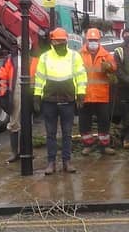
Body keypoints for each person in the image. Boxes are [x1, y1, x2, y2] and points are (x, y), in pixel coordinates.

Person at [33, 28, 87, 175]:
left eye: (63, 41)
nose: (60, 43)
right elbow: (39, 78)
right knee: (50, 133)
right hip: (49, 100)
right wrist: (37, 97)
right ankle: (51, 162)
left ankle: (66, 161)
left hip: (68, 99)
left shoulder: (74, 56)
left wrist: (81, 94)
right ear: (52, 41)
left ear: (66, 41)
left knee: (67, 133)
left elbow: (81, 76)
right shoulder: (45, 57)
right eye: (58, 41)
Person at [0, 39, 38, 163]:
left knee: (28, 124)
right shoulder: (11, 59)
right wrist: (3, 94)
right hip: (16, 92)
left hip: (30, 93)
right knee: (14, 123)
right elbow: (2, 76)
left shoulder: (35, 60)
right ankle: (15, 152)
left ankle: (27, 150)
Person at [79, 28, 117, 156]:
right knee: (85, 121)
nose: (93, 42)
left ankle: (104, 146)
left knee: (104, 121)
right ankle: (87, 145)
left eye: (95, 40)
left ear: (99, 41)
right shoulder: (80, 55)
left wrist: (109, 67)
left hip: (102, 95)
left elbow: (114, 67)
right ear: (86, 40)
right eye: (91, 40)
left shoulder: (106, 55)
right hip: (85, 94)